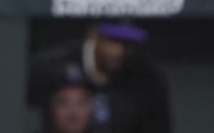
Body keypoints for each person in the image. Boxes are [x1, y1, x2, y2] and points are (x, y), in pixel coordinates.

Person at [28, 22, 171, 133]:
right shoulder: (53, 66)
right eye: (112, 41)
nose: (119, 51)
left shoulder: (147, 77)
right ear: (93, 35)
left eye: (126, 44)